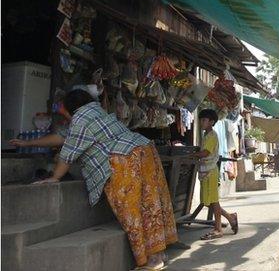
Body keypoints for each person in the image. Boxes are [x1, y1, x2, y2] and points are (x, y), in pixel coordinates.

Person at [31, 89, 177, 270]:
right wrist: (27, 143)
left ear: (70, 108)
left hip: (125, 159)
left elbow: (68, 152)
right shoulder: (98, 113)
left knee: (131, 210)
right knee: (150, 204)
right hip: (145, 150)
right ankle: (159, 254)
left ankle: (152, 260)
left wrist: (54, 177)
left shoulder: (81, 119)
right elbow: (63, 137)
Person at [196, 109, 238, 240]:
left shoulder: (212, 135)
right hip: (205, 171)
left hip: (210, 172)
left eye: (204, 120)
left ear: (211, 122)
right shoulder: (206, 135)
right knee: (209, 202)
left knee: (213, 201)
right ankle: (230, 217)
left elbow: (205, 153)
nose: (201, 122)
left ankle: (218, 229)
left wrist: (192, 155)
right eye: (200, 120)